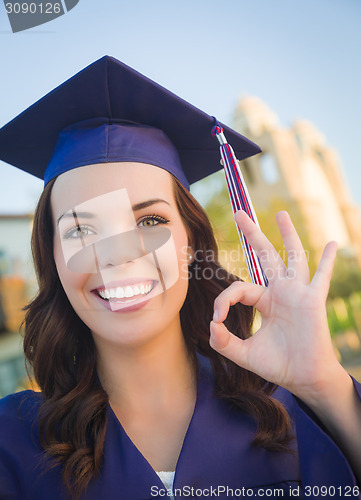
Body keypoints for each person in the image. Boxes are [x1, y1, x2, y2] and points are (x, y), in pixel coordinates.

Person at [0, 56, 360, 500]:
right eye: (82, 230)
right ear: (52, 258)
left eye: (150, 221)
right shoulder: (11, 444)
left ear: (191, 242)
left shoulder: (284, 408)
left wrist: (323, 382)